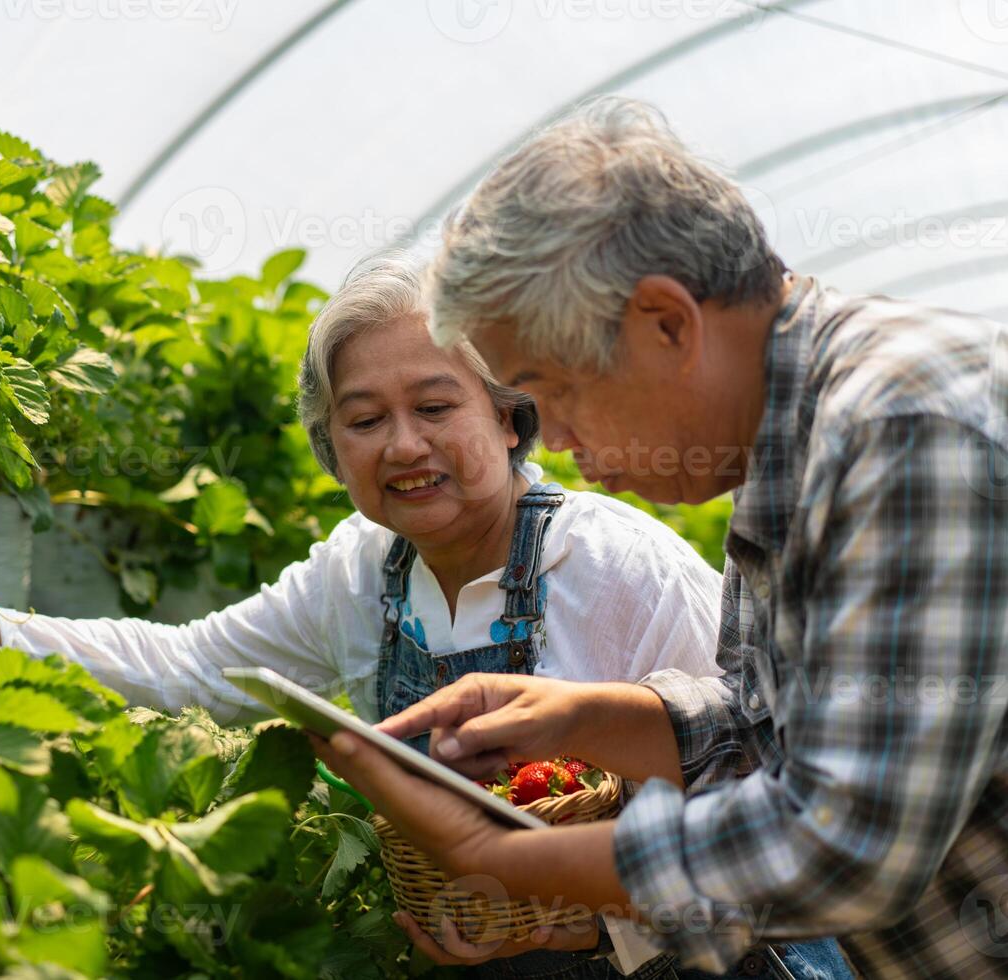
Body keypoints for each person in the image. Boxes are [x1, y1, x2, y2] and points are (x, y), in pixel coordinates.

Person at [0, 256, 744, 976]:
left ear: (512, 419)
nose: (403, 445)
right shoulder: (359, 572)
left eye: (436, 407)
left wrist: (591, 931)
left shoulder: (619, 566)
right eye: (364, 420)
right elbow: (193, 667)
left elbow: (766, 788)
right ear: (333, 446)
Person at [316, 96, 1008, 979]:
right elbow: (792, 729)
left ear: (666, 323)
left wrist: (503, 858)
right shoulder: (791, 445)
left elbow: (844, 844)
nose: (552, 435)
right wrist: (591, 717)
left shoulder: (904, 430)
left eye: (550, 388)